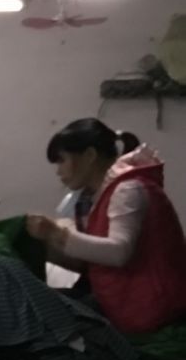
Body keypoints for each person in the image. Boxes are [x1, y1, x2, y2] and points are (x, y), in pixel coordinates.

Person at [27, 119, 186, 335]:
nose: (59, 172)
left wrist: (57, 233)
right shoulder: (96, 197)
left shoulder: (127, 190)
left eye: (62, 160)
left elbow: (118, 252)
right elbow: (97, 262)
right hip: (126, 301)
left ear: (89, 156)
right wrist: (50, 246)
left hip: (151, 308)